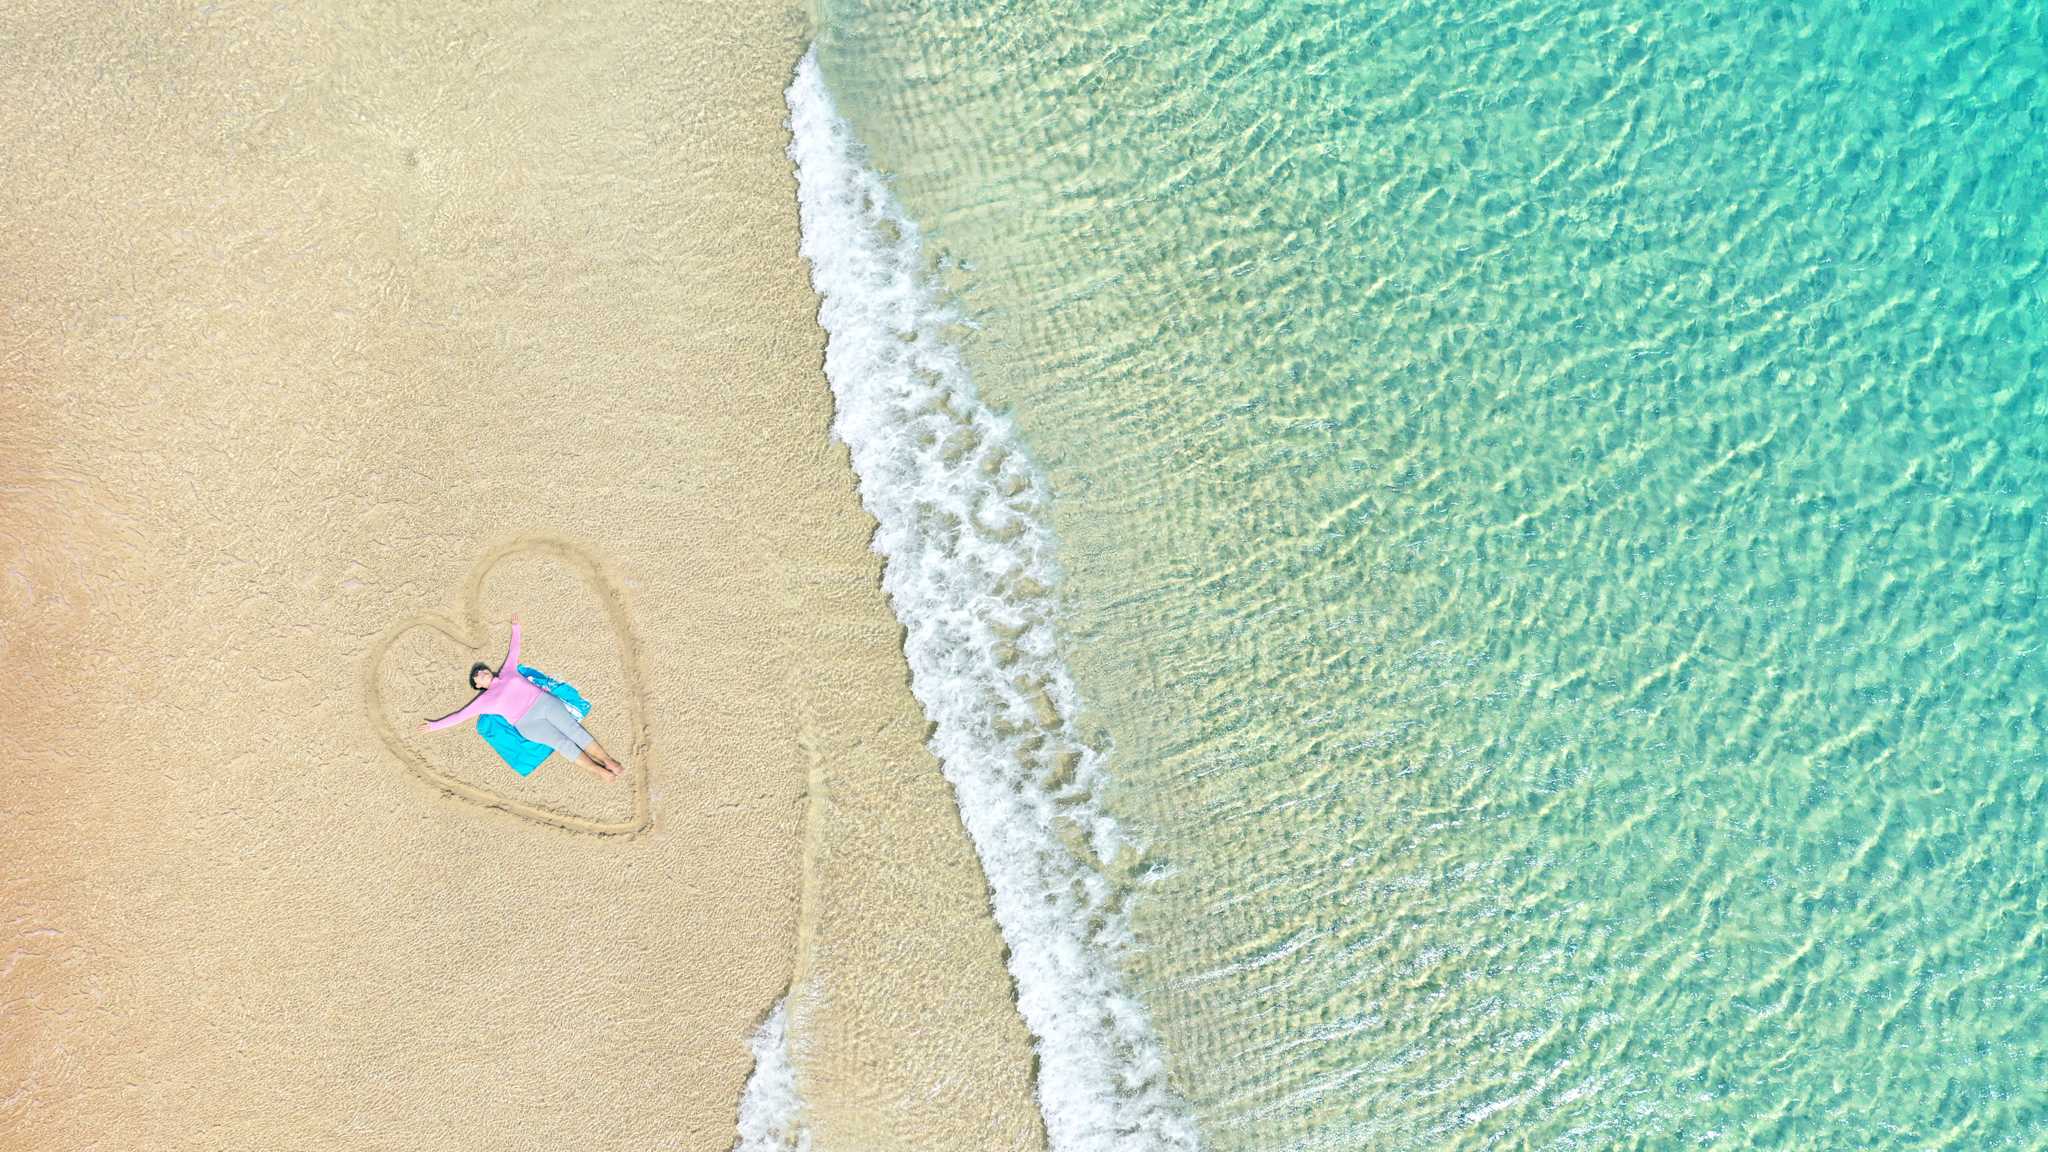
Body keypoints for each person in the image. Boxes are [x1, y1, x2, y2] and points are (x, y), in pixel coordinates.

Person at [418, 614, 625, 782]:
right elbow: (459, 716)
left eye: (481, 669)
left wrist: (516, 627)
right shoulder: (484, 701)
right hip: (526, 723)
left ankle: (608, 761)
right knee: (563, 744)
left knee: (573, 730)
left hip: (543, 704)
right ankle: (600, 772)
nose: (481, 672)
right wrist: (434, 726)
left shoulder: (507, 671)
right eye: (477, 675)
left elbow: (514, 650)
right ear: (478, 686)